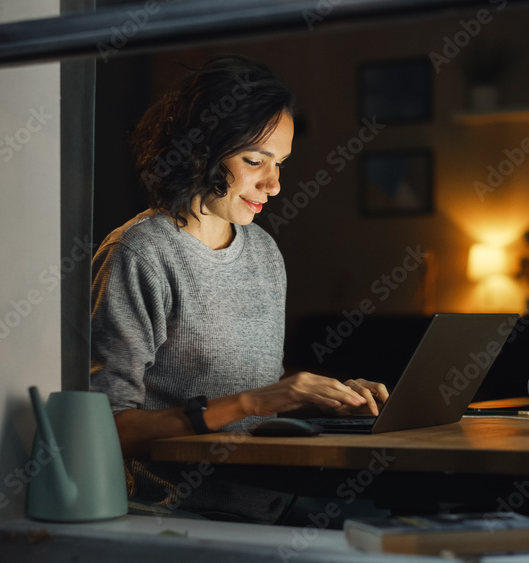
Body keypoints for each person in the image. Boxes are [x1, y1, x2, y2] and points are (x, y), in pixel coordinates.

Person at [90, 55, 389, 524]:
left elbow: (251, 399)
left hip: (270, 507)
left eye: (281, 163)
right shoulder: (140, 254)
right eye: (255, 161)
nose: (274, 184)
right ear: (199, 149)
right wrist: (254, 402)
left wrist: (326, 400)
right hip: (174, 519)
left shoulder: (263, 251)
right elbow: (109, 430)